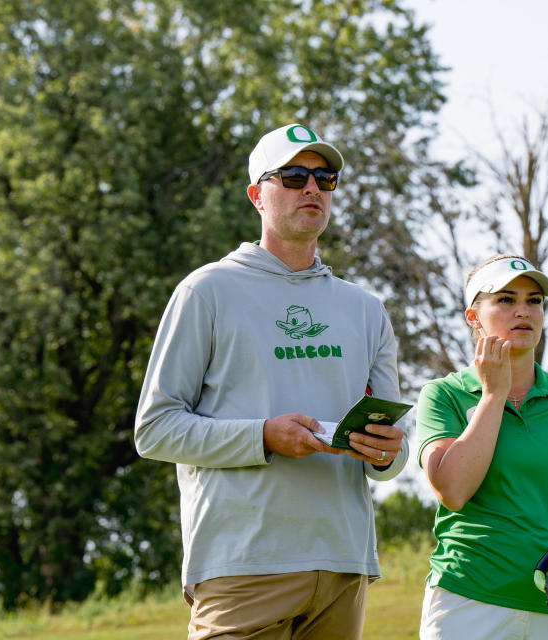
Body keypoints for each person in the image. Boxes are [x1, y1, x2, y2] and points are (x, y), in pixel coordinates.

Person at [135, 123, 408, 640]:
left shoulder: (366, 310)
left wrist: (387, 450)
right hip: (243, 565)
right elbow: (155, 429)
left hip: (343, 566)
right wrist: (263, 436)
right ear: (257, 194)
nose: (312, 188)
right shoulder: (207, 290)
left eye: (324, 179)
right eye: (294, 175)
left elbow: (390, 460)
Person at [414, 254, 548, 640]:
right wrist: (493, 395)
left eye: (533, 300)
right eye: (505, 299)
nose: (523, 310)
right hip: (467, 601)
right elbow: (452, 490)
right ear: (474, 317)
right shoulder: (444, 395)